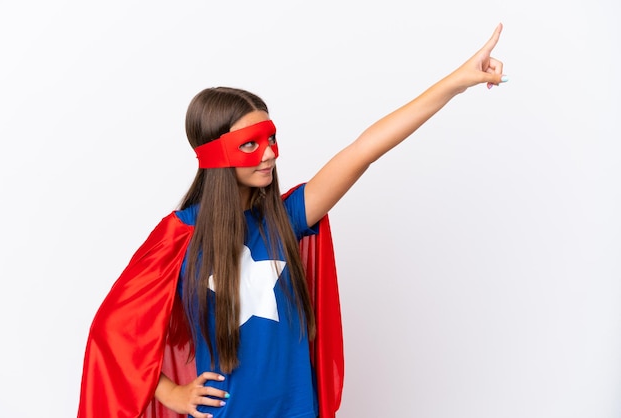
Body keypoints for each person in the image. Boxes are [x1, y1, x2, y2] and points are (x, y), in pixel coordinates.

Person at [78, 24, 506, 418]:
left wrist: (456, 82)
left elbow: (364, 150)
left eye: (271, 138)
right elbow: (113, 333)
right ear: (216, 157)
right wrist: (172, 393)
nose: (268, 153)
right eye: (250, 144)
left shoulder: (288, 218)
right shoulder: (179, 237)